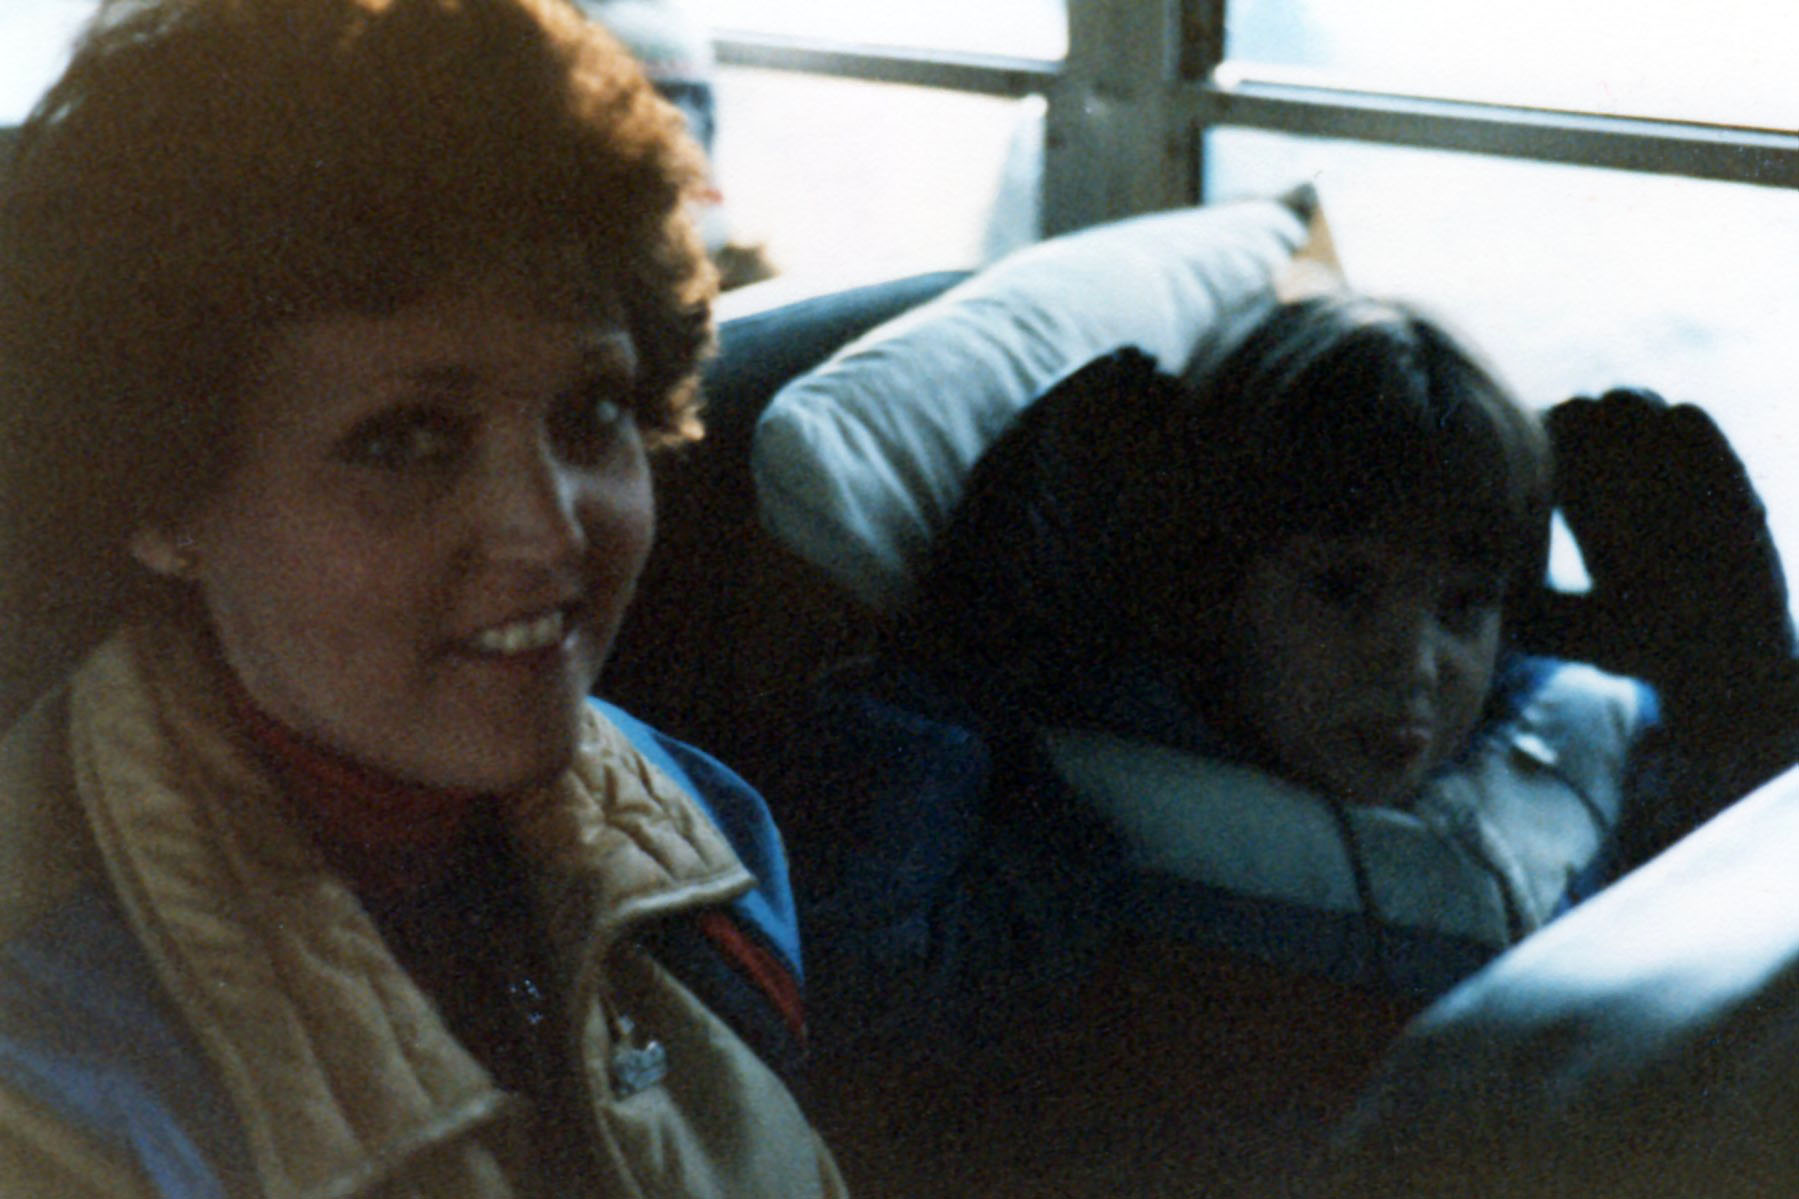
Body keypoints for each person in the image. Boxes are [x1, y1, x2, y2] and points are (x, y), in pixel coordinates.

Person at [0, 1, 843, 1196]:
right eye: (404, 441)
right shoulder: (42, 1054)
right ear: (162, 498)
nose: (549, 532)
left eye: (591, 411)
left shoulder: (707, 843)